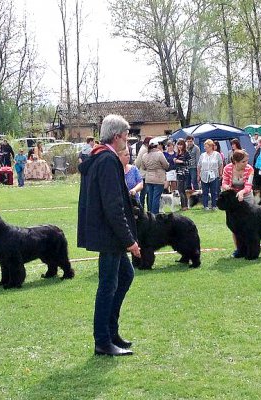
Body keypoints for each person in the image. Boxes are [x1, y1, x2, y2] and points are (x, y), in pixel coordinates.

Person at [77, 114, 140, 357]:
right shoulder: (107, 161)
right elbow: (113, 206)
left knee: (125, 275)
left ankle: (111, 333)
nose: (127, 141)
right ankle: (102, 340)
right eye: (126, 137)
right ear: (117, 137)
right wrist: (130, 241)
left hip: (107, 234)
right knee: (108, 285)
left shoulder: (100, 158)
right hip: (109, 234)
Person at [222, 150, 255, 257]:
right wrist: (228, 188)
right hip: (232, 200)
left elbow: (248, 186)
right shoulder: (227, 168)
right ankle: (239, 249)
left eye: (247, 161)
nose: (246, 163)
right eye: (243, 161)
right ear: (235, 162)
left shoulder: (250, 169)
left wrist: (241, 192)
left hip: (246, 197)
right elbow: (224, 182)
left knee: (250, 225)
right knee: (235, 225)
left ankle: (251, 248)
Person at [140, 141, 169, 213]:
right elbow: (166, 165)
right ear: (156, 146)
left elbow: (143, 167)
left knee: (150, 197)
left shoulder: (144, 155)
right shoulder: (159, 154)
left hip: (149, 178)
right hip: (159, 178)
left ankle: (150, 213)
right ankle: (155, 214)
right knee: (156, 198)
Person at [197, 139, 222, 210]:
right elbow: (199, 165)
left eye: (206, 146)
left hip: (214, 175)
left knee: (214, 191)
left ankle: (214, 205)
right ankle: (205, 206)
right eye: (204, 146)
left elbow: (220, 164)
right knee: (205, 192)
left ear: (211, 147)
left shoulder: (217, 154)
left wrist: (220, 173)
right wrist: (198, 175)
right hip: (204, 175)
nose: (205, 148)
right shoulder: (202, 155)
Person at [134, 137, 152, 210]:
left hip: (144, 173)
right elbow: (138, 162)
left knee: (145, 194)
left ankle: (145, 209)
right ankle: (141, 209)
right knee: (144, 194)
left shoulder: (144, 149)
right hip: (144, 174)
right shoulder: (144, 150)